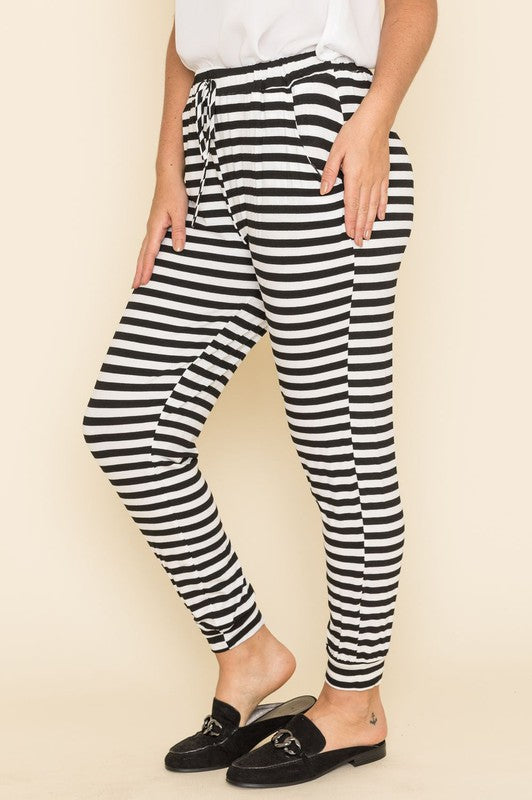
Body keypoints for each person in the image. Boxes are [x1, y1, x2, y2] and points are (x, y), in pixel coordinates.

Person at [82, 0, 437, 788]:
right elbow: (191, 28)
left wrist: (374, 118)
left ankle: (355, 702)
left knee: (341, 444)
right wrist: (168, 167)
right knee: (129, 426)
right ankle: (248, 653)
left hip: (315, 130)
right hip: (211, 141)